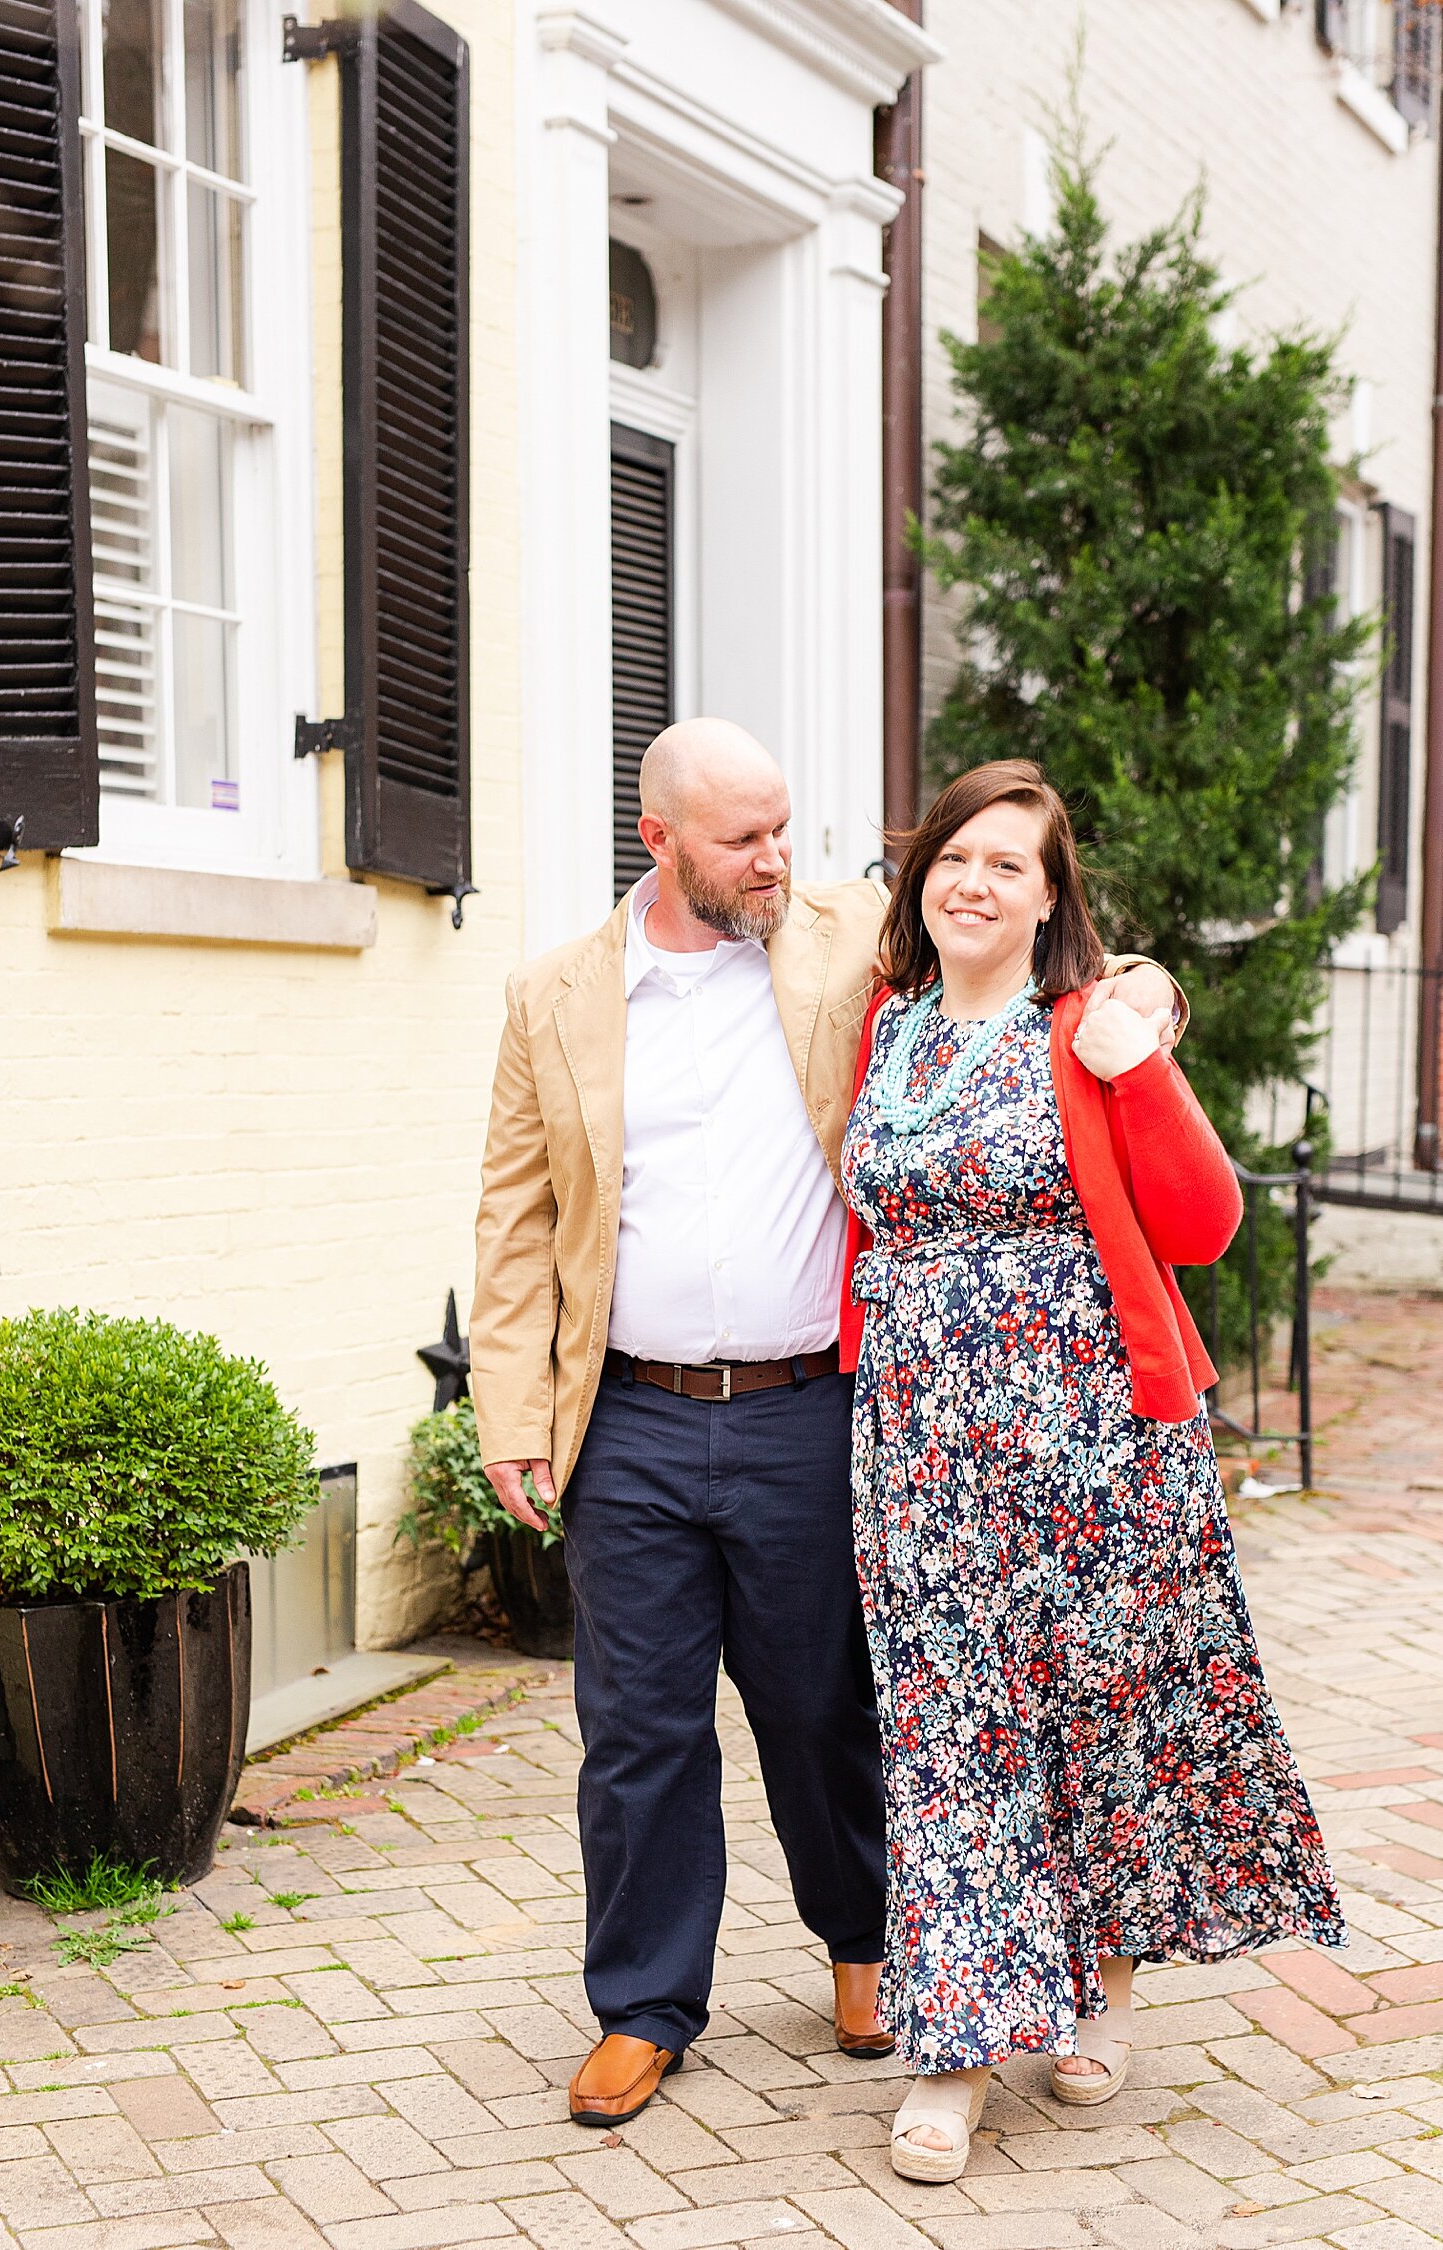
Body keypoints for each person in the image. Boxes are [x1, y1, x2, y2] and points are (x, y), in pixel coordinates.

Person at [470, 718, 1178, 2127]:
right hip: (631, 1420)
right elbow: (516, 1211)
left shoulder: (844, 932)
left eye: (786, 827)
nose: (777, 858)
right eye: (746, 837)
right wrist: (511, 1407)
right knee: (637, 1729)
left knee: (821, 1705)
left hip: (809, 1406)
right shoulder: (554, 993)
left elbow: (1036, 942)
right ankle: (646, 2004)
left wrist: (1146, 995)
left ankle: (866, 1944)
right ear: (658, 838)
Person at [838, 759, 1346, 2185]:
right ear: (921, 870)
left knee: (1101, 1710)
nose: (975, 881)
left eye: (1011, 862)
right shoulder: (887, 1020)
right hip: (921, 1444)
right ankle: (955, 2045)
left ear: (1050, 894)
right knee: (948, 1734)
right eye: (956, 854)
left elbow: (1201, 1223)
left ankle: (1103, 1976)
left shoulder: (1088, 1024)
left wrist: (1145, 1050)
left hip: (1095, 1435)